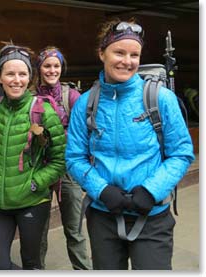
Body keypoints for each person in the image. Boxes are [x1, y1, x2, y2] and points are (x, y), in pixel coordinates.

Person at [65, 18, 195, 270]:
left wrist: (150, 191)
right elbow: (74, 157)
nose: (127, 61)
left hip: (151, 217)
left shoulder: (160, 99)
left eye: (134, 54)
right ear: (102, 53)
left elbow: (181, 153)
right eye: (119, 52)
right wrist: (101, 190)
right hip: (104, 216)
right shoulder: (85, 103)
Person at [0, 43, 66, 270]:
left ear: (29, 77)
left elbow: (59, 160)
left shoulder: (43, 111)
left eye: (22, 74)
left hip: (32, 201)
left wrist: (35, 183)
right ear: (0, 77)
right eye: (10, 73)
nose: (17, 80)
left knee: (32, 263)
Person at [34, 46, 91, 270]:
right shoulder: (31, 99)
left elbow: (86, 132)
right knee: (38, 230)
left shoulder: (72, 96)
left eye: (56, 66)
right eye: (47, 65)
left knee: (75, 229)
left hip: (68, 170)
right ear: (39, 68)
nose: (52, 70)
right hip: (41, 169)